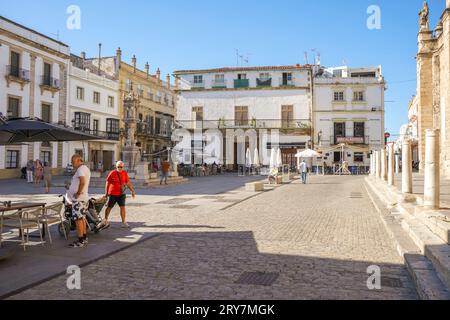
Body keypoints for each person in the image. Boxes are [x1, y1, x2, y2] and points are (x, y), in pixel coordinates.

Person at [102, 161, 136, 228]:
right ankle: (105, 219)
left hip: (121, 193)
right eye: (118, 167)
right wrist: (106, 193)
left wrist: (132, 191)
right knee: (109, 207)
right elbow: (107, 183)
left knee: (122, 207)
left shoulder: (124, 173)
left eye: (121, 167)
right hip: (112, 194)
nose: (119, 168)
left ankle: (123, 222)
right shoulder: (112, 173)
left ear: (123, 167)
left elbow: (128, 182)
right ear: (116, 166)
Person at [67, 154, 91, 248]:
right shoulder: (85, 168)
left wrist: (77, 193)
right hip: (83, 198)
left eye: (73, 162)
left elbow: (82, 181)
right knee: (82, 218)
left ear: (78, 160)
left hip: (79, 200)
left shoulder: (81, 169)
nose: (72, 164)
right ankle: (84, 238)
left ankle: (80, 240)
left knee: (78, 220)